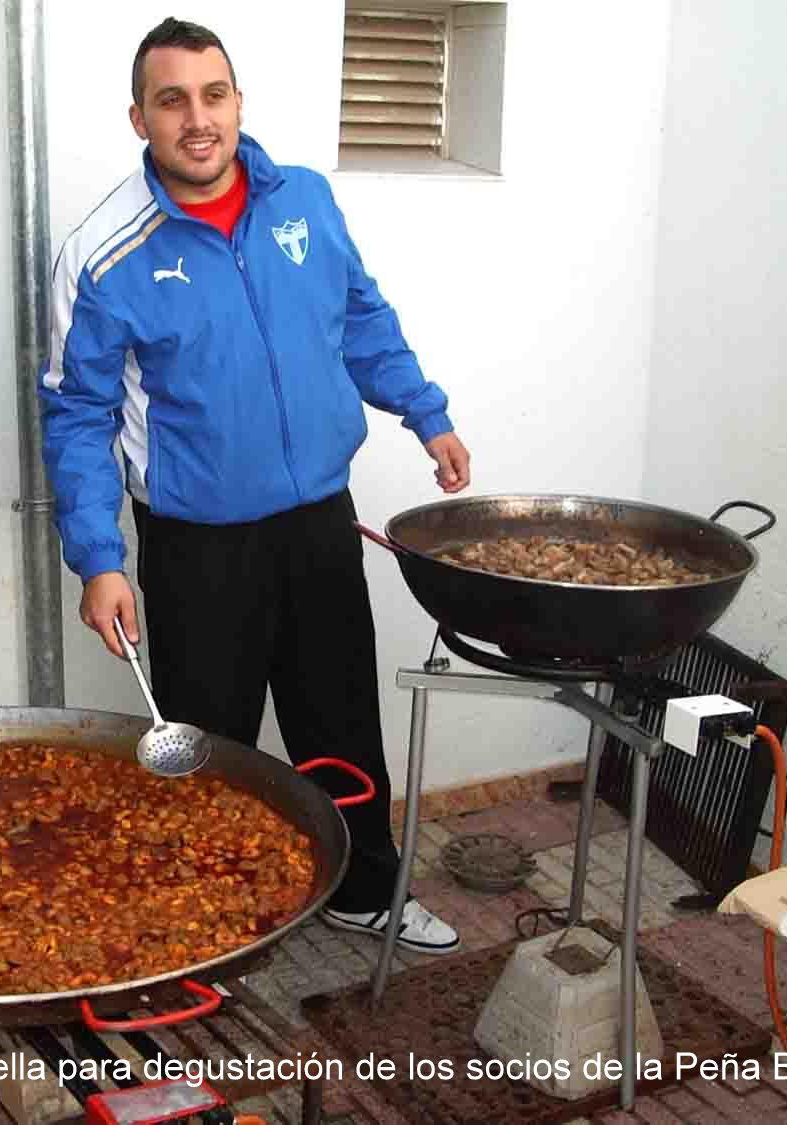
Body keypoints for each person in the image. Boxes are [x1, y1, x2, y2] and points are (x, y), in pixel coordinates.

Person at [39, 17, 471, 954]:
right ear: (139, 118)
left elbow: (362, 318)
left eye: (213, 95)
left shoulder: (302, 199)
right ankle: (204, 934)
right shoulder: (102, 252)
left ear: (238, 102)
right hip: (199, 546)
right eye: (172, 101)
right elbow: (76, 418)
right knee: (211, 748)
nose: (197, 119)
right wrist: (99, 561)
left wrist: (425, 412)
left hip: (319, 521)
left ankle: (364, 890)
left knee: (341, 719)